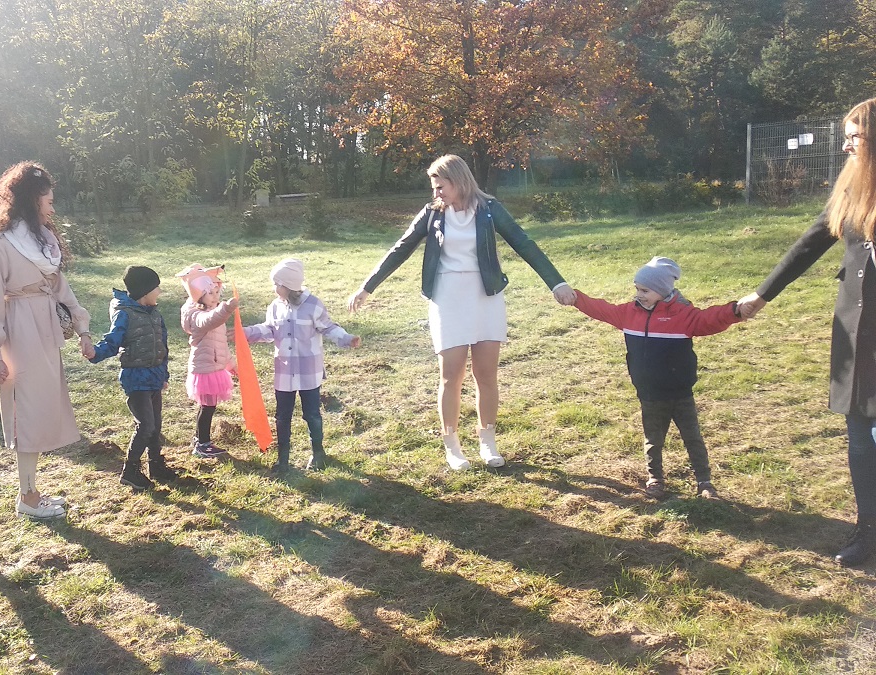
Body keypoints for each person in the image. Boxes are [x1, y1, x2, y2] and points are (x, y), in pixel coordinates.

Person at [347, 154, 575, 471]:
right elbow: (400, 248)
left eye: (441, 186)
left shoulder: (490, 209)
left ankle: (487, 441)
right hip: (448, 299)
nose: (436, 193)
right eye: (434, 187)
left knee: (486, 374)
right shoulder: (431, 214)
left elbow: (524, 243)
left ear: (458, 181)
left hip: (486, 297)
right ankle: (452, 445)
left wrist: (557, 283)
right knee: (451, 375)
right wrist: (367, 287)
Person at [737, 97, 876, 567]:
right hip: (856, 327)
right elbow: (812, 242)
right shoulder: (850, 188)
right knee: (859, 429)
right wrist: (762, 295)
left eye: (854, 137)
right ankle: (867, 530)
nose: (846, 147)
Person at [0, 161, 94, 520]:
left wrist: (83, 328)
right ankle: (27, 497)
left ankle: (32, 490)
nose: (52, 209)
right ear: (31, 199)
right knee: (25, 413)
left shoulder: (43, 240)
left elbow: (59, 287)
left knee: (41, 410)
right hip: (19, 332)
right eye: (48, 201)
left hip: (45, 331)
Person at [565, 257, 742, 499]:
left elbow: (711, 319)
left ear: (663, 291)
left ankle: (704, 482)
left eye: (645, 290)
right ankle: (655, 479)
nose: (639, 294)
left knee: (693, 439)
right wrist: (576, 298)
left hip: (680, 393)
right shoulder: (628, 314)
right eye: (637, 289)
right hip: (649, 394)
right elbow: (601, 309)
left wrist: (735, 311)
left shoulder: (683, 315)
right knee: (653, 439)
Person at [244, 258, 361, 472]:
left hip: (309, 372)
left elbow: (328, 327)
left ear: (288, 285)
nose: (273, 288)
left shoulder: (313, 305)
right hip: (284, 372)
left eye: (276, 284)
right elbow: (269, 330)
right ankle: (283, 460)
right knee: (282, 416)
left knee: (312, 414)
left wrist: (346, 338)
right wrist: (246, 333)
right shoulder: (275, 307)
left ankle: (318, 454)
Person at [88, 266, 177, 490]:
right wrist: (95, 353)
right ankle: (130, 471)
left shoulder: (155, 314)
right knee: (145, 425)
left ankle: (156, 465)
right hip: (136, 379)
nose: (159, 292)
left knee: (155, 426)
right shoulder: (125, 314)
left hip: (154, 377)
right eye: (156, 288)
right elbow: (113, 341)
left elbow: (162, 346)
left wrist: (164, 374)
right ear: (145, 291)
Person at [177, 263, 236, 459]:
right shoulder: (198, 316)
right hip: (205, 370)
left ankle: (200, 440)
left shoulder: (212, 309)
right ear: (199, 296)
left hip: (214, 367)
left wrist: (230, 364)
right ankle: (202, 444)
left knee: (208, 406)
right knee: (207, 407)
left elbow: (220, 344)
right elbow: (209, 320)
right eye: (210, 293)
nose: (215, 296)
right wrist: (226, 309)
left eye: (216, 292)